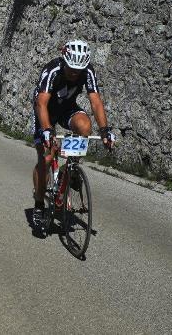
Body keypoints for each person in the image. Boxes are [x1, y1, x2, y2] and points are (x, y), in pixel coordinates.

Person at [31, 40, 116, 229]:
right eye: (71, 69)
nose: (74, 74)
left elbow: (95, 101)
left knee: (85, 127)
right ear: (64, 61)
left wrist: (105, 131)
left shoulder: (88, 71)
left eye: (79, 70)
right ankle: (38, 205)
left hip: (66, 108)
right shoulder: (53, 70)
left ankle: (69, 168)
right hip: (44, 110)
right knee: (46, 157)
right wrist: (47, 131)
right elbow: (41, 103)